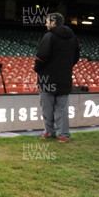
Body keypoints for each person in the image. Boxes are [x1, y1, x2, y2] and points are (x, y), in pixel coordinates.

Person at [35, 12, 80, 143]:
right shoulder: (73, 37)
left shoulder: (49, 36)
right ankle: (63, 135)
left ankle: (49, 132)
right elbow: (76, 57)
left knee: (47, 108)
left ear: (53, 23)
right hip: (64, 78)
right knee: (62, 108)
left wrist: (37, 69)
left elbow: (41, 56)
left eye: (47, 21)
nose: (46, 23)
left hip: (47, 79)